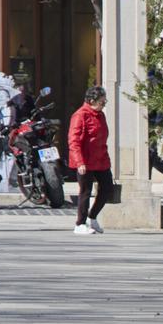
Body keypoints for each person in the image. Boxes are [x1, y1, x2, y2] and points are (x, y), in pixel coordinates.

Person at [68, 86, 113, 235]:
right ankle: (80, 224)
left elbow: (102, 139)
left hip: (100, 159)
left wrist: (106, 159)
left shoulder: (100, 115)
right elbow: (74, 140)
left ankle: (92, 217)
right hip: (85, 161)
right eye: (101, 102)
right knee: (85, 192)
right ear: (92, 101)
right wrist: (79, 162)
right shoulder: (80, 115)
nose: (103, 104)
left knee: (107, 188)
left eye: (104, 101)